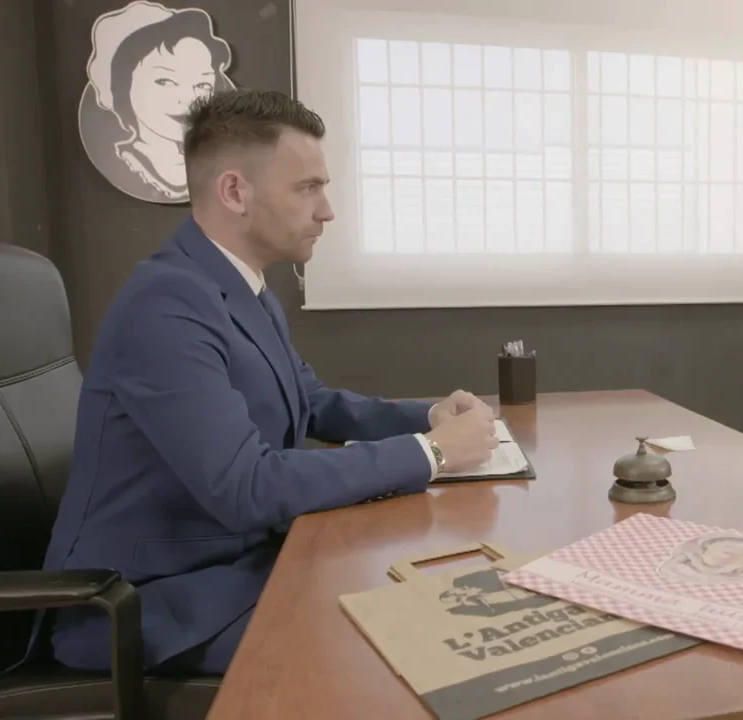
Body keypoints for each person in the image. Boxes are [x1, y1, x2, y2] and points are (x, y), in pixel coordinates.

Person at [41, 88, 500, 676]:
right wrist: (432, 453)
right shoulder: (165, 305)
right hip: (150, 604)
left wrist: (428, 417)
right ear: (235, 191)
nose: (327, 210)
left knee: (439, 605)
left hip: (240, 568)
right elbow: (247, 484)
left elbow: (309, 401)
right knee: (400, 656)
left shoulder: (238, 285)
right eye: (308, 188)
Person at [80, 1, 237, 203]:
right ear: (123, 86)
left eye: (203, 84)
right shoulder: (128, 164)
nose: (189, 98)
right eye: (166, 81)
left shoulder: (219, 164)